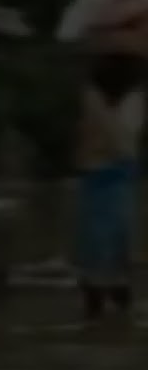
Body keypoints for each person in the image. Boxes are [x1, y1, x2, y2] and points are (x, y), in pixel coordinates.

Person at [74, 53, 144, 320]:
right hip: (105, 173)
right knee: (105, 236)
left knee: (109, 236)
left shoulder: (122, 101)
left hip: (108, 173)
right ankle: (105, 289)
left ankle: (107, 289)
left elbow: (122, 142)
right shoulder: (100, 100)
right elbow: (122, 143)